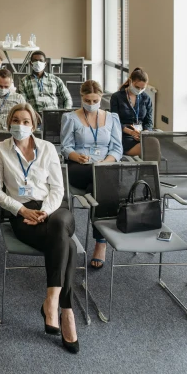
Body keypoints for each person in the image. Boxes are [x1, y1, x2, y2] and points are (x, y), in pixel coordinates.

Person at [0, 103, 78, 353]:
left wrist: (45, 212)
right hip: (21, 213)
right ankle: (67, 311)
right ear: (9, 124)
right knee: (67, 244)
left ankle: (51, 301)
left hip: (54, 209)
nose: (20, 125)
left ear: (34, 125)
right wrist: (22, 210)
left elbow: (58, 189)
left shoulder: (48, 148)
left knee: (60, 224)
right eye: (15, 120)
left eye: (26, 121)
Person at [60, 80, 122, 269]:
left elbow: (117, 150)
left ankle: (99, 239)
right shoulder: (71, 117)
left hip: (104, 166)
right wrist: (76, 156)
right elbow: (65, 147)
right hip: (79, 165)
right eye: (87, 100)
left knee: (97, 184)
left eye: (95, 100)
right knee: (103, 184)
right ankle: (100, 242)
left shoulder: (112, 118)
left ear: (101, 97)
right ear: (82, 98)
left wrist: (104, 162)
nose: (91, 103)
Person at [109, 68, 153, 156]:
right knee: (148, 151)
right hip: (123, 134)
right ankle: (151, 169)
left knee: (154, 145)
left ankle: (150, 169)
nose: (139, 90)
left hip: (141, 135)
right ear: (130, 81)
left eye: (142, 88)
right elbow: (114, 122)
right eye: (137, 87)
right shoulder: (117, 97)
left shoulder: (146, 98)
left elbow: (149, 121)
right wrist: (131, 132)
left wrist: (144, 133)